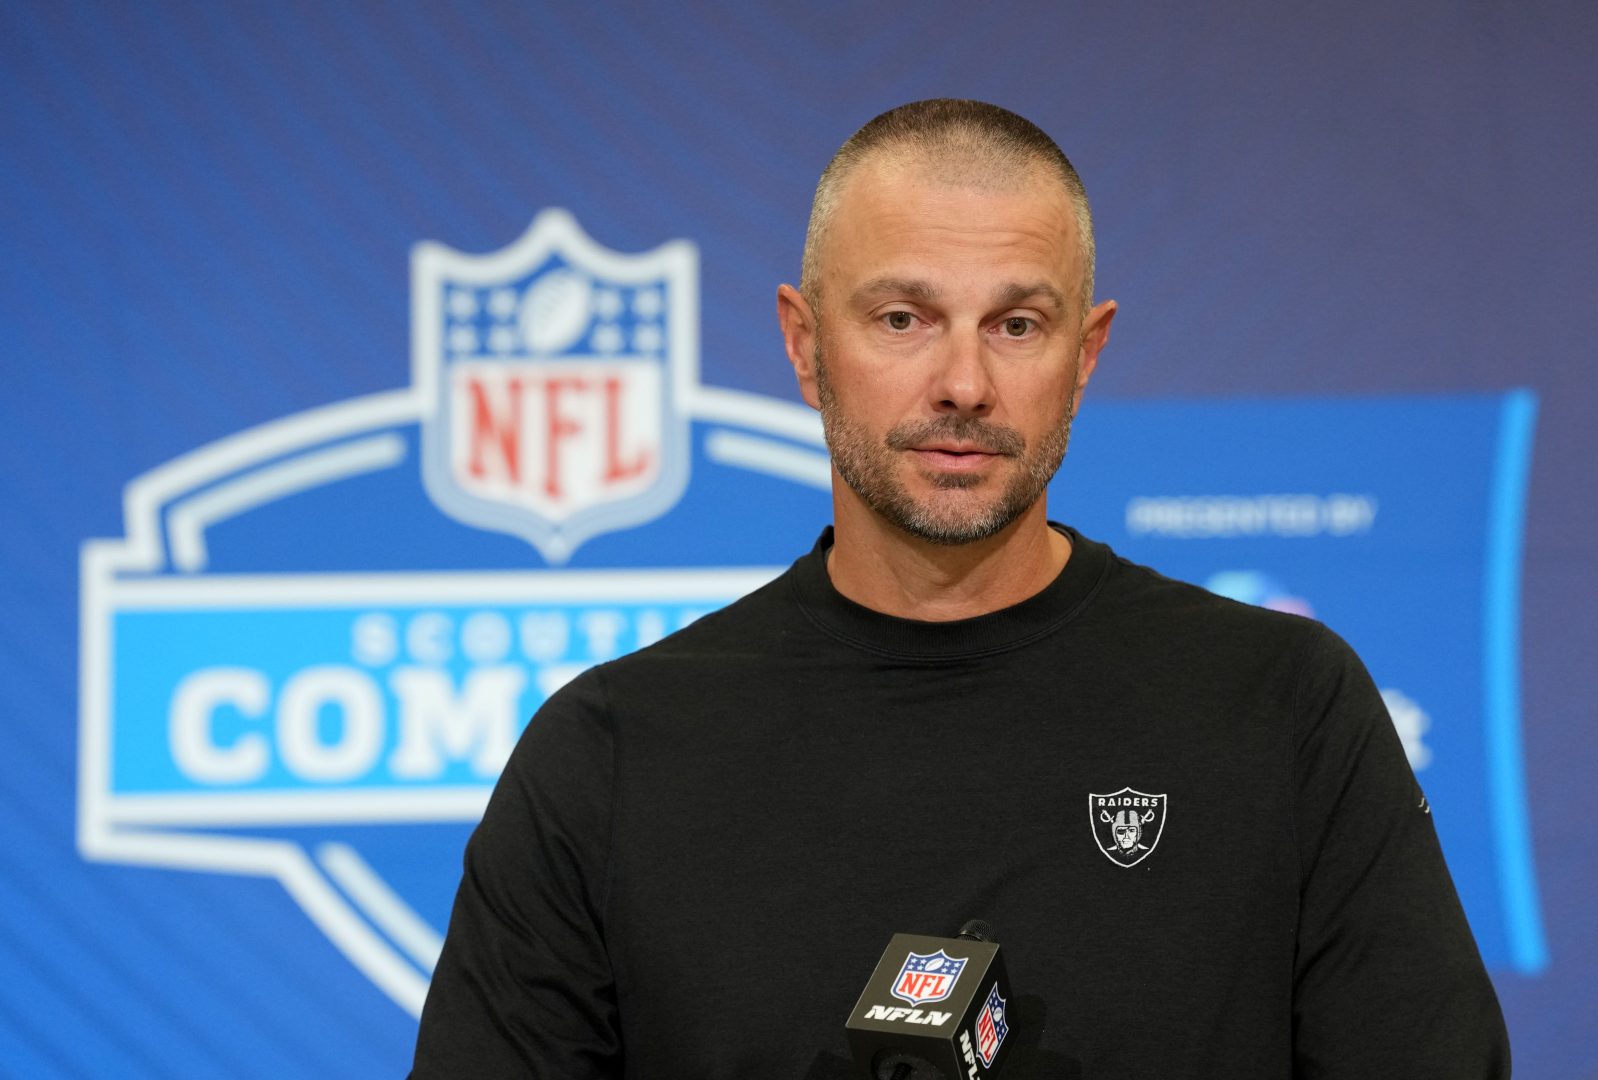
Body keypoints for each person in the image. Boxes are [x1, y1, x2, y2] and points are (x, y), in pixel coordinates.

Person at [411, 99, 1510, 1078]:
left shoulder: (1282, 704)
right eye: (903, 319)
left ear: (1086, 352)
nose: (964, 384)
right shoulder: (610, 754)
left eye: (1017, 325)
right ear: (804, 345)